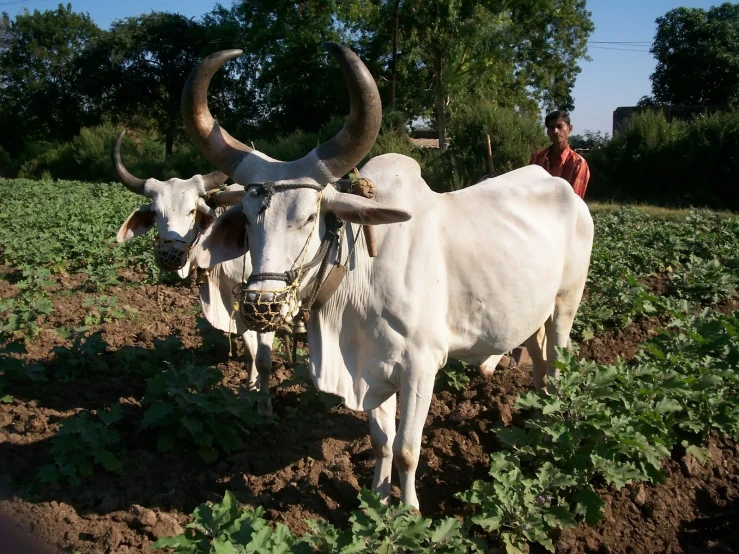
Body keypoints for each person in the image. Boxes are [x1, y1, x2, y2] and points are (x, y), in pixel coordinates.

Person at [530, 110, 590, 198]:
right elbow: (529, 191)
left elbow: (575, 201)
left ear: (570, 129)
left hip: (564, 211)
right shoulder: (537, 158)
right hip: (536, 210)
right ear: (548, 132)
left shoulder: (578, 164)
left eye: (559, 126)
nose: (555, 131)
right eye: (551, 128)